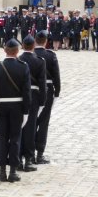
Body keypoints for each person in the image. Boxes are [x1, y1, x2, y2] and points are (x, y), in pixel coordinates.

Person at [0, 38, 31, 182]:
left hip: (1, 107)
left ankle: (2, 171)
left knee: (2, 138)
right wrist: (26, 111)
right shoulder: (23, 66)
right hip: (17, 107)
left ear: (5, 50)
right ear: (17, 51)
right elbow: (26, 93)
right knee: (15, 139)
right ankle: (12, 171)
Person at [18, 35, 46, 172]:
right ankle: (29, 159)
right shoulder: (39, 61)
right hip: (34, 96)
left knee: (19, 129)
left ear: (23, 45)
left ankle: (17, 158)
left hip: (20, 97)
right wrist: (42, 102)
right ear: (33, 45)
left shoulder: (18, 59)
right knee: (30, 128)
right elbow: (42, 83)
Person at [34, 31, 61, 164]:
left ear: (35, 41)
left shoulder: (30, 55)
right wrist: (57, 92)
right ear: (45, 42)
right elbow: (56, 75)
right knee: (43, 122)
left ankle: (28, 152)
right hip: (47, 90)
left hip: (32, 91)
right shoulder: (50, 55)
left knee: (31, 122)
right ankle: (39, 153)